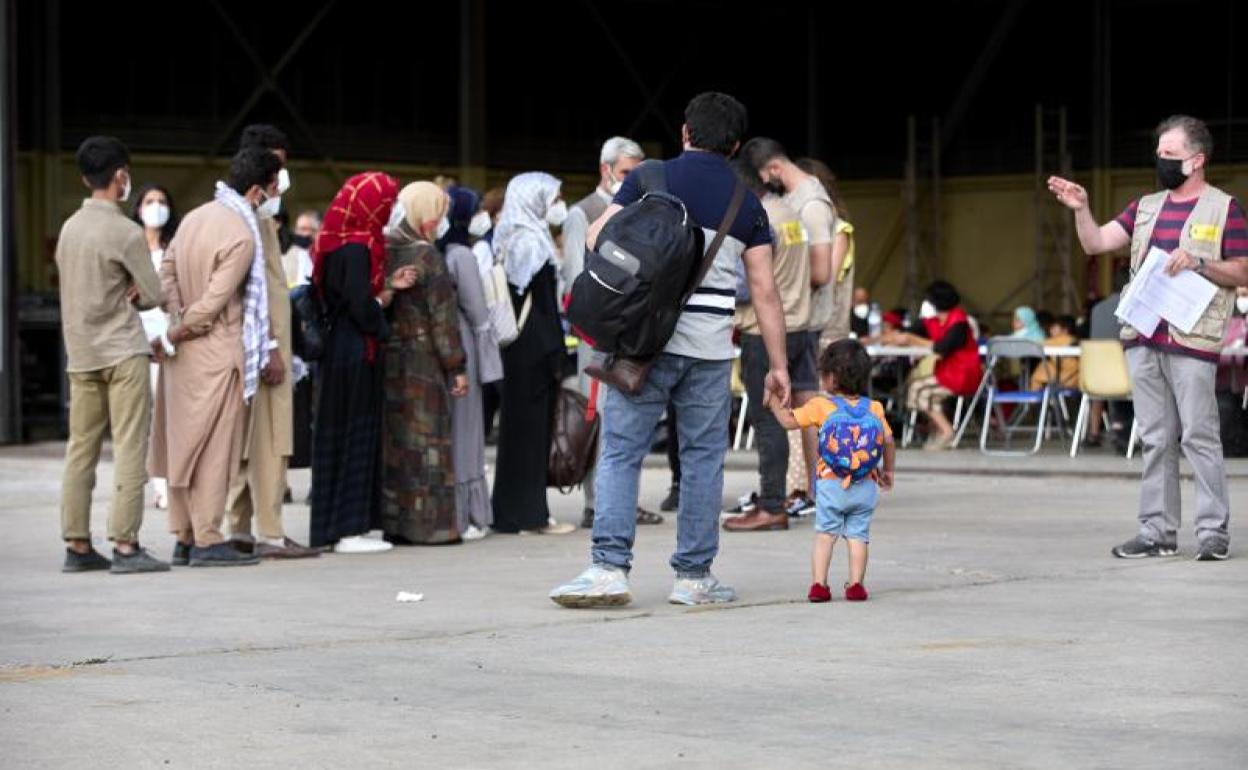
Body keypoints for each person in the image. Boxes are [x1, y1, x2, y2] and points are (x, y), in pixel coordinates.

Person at [550, 91, 791, 608]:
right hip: (709, 350)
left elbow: (597, 239)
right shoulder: (746, 203)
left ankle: (608, 569)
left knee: (621, 451)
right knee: (703, 460)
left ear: (685, 132)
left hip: (643, 343)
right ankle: (694, 577)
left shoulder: (647, 178)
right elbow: (766, 293)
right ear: (736, 146)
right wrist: (778, 365)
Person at [1049, 114, 1248, 561]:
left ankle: (1213, 532)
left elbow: (1243, 268)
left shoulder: (1224, 208)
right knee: (1157, 437)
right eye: (1159, 153)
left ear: (1197, 160)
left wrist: (1198, 262)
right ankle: (1157, 532)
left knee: (1199, 435)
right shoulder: (1144, 207)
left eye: (1171, 155)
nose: (1161, 160)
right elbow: (1097, 243)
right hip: (1143, 335)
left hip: (1193, 339)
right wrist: (1082, 209)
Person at [149, 147, 283, 567]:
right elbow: (214, 302)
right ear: (259, 191)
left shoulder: (194, 217)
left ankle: (184, 536)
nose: (278, 194)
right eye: (276, 186)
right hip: (217, 349)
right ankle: (208, 538)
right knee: (214, 450)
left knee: (181, 444)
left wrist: (176, 313)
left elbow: (166, 271)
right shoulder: (242, 235)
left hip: (182, 353)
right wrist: (184, 323)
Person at [57, 136, 168, 574]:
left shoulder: (69, 229)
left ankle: (78, 544)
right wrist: (136, 294)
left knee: (80, 449)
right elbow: (154, 292)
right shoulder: (126, 232)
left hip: (81, 352)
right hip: (123, 351)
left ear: (85, 177)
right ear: (121, 177)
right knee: (128, 446)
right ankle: (125, 544)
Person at [309, 172, 417, 554]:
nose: (391, 207)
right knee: (354, 433)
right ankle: (347, 529)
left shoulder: (338, 241)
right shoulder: (359, 248)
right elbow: (358, 304)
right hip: (354, 351)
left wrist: (387, 288)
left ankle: (340, 526)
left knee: (339, 433)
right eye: (387, 200)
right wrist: (381, 313)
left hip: (340, 349)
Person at [559, 136, 663, 530]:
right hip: (599, 332)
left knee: (633, 418)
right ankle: (597, 503)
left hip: (634, 331)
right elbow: (574, 278)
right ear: (606, 170)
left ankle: (624, 500)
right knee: (599, 416)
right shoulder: (582, 213)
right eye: (625, 173)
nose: (632, 180)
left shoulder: (644, 209)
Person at [225, 124, 318, 560]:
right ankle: (271, 531)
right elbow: (256, 293)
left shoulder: (255, 218)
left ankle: (240, 529)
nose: (283, 179)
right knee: (269, 443)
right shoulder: (251, 222)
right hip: (266, 351)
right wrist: (272, 349)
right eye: (278, 168)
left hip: (260, 349)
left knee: (248, 445)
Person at [724, 158, 816, 533]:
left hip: (765, 331)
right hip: (800, 324)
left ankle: (773, 504)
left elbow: (749, 285)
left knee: (768, 420)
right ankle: (788, 497)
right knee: (787, 415)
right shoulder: (789, 212)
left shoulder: (755, 218)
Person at [765, 339, 895, 603]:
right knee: (858, 535)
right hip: (865, 484)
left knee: (825, 535)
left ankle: (819, 585)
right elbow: (889, 441)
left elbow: (790, 421)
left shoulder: (821, 406)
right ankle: (856, 585)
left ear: (832, 378)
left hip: (831, 484)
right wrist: (888, 471)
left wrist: (774, 403)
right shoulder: (874, 408)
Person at [380, 182, 469, 544]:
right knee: (428, 442)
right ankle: (431, 526)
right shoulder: (427, 256)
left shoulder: (386, 248)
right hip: (423, 362)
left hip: (390, 359)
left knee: (397, 444)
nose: (441, 219)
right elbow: (442, 318)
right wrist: (456, 366)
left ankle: (395, 522)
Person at [490, 172, 577, 535]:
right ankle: (531, 515)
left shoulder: (507, 235)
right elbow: (542, 305)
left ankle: (511, 511)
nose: (556, 206)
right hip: (534, 349)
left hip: (516, 349)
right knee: (532, 432)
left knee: (516, 431)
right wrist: (557, 354)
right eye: (552, 198)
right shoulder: (533, 243)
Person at [438, 185, 504, 540]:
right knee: (467, 429)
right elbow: (478, 312)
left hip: (439, 348)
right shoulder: (461, 255)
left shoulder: (435, 250)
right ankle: (470, 512)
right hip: (463, 345)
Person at [887, 281, 983, 450]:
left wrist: (912, 339)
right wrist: (894, 336)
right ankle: (939, 430)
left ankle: (946, 431)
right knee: (921, 391)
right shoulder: (933, 321)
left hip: (963, 374)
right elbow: (909, 330)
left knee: (918, 389)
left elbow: (942, 347)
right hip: (947, 372)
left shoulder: (959, 323)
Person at [131, 183, 180, 511]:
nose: (156, 207)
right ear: (138, 208)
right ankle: (153, 484)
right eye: (150, 201)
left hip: (171, 342)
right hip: (136, 342)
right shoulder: (129, 248)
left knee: (170, 416)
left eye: (162, 201)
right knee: (144, 419)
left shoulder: (175, 248)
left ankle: (169, 483)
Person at [1084, 267, 1129, 448]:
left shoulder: (1097, 308)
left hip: (1095, 378)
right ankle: (1130, 431)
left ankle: (1093, 433)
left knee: (1100, 388)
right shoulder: (1132, 306)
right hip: (1125, 378)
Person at [1030, 314, 1080, 391]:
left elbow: (1037, 345)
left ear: (1065, 330)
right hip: (1075, 379)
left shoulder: (1059, 340)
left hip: (1064, 379)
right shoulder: (1074, 340)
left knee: (1043, 367)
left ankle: (1033, 398)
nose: (1050, 330)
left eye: (1054, 327)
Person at [283, 210, 321, 288]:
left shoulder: (325, 255)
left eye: (304, 229)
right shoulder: (288, 254)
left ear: (318, 231)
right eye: (298, 229)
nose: (299, 233)